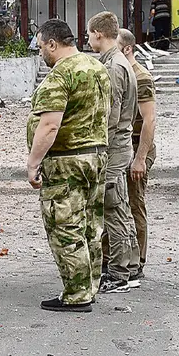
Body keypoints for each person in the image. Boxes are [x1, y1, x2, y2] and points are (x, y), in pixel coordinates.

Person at [26, 19, 110, 313]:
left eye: (41, 47)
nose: (41, 53)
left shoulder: (61, 75)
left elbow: (49, 125)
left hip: (66, 161)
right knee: (91, 226)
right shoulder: (97, 67)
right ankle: (90, 286)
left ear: (52, 43)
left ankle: (76, 294)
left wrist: (33, 162)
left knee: (65, 226)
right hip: (96, 155)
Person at [86, 12, 140, 294]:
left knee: (113, 210)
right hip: (121, 145)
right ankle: (130, 265)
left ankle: (119, 273)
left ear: (98, 33)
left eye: (89, 34)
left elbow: (111, 114)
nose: (87, 40)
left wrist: (95, 144)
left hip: (114, 147)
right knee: (121, 208)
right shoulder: (119, 61)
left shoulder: (113, 67)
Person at [118, 29, 156, 282]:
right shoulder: (121, 73)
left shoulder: (140, 77)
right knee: (116, 205)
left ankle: (138, 260)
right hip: (122, 146)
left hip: (136, 147)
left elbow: (149, 120)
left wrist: (140, 158)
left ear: (127, 48)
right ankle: (114, 259)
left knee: (134, 204)